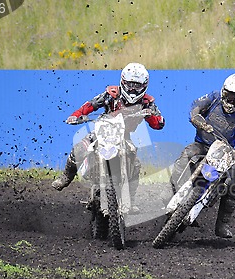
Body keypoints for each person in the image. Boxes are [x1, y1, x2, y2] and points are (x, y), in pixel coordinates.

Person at [52, 62, 165, 213]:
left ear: (144, 86)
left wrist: (155, 117)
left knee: (136, 164)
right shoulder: (111, 94)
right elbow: (90, 105)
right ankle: (66, 177)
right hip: (102, 132)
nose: (132, 89)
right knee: (79, 148)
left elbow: (157, 124)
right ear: (123, 82)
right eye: (130, 85)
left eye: (137, 86)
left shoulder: (146, 103)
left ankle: (129, 201)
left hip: (124, 137)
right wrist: (75, 116)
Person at [170, 73, 235, 238]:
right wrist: (198, 119)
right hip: (202, 144)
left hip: (225, 152)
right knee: (185, 156)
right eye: (229, 96)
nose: (232, 101)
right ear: (223, 92)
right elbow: (195, 106)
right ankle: (171, 195)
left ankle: (222, 224)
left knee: (234, 182)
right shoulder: (214, 97)